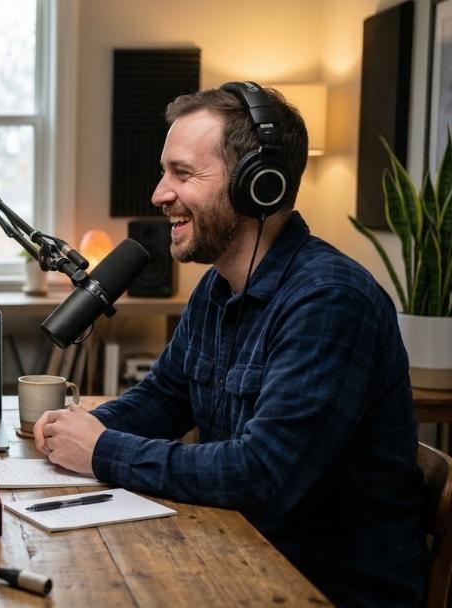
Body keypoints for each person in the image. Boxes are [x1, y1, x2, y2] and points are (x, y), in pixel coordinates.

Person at [34, 83, 426, 606]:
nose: (158, 194)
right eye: (164, 172)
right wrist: (78, 428)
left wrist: (103, 450)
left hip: (323, 588)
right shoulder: (218, 287)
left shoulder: (331, 301)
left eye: (183, 173)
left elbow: (262, 474)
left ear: (257, 185)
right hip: (239, 552)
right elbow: (165, 398)